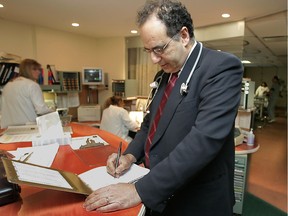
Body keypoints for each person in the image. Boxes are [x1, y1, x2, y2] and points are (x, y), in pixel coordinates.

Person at [84, 1, 243, 215]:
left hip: (197, 200)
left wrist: (138, 190)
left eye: (159, 49)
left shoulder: (221, 68)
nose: (154, 59)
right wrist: (130, 156)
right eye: (148, 51)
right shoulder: (163, 75)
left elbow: (203, 141)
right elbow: (150, 125)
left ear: (184, 36)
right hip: (161, 193)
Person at [1, 59, 53, 128]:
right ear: (26, 70)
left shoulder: (8, 85)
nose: (38, 72)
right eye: (34, 69)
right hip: (27, 129)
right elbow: (41, 110)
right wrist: (54, 113)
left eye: (39, 69)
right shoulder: (32, 85)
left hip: (6, 130)